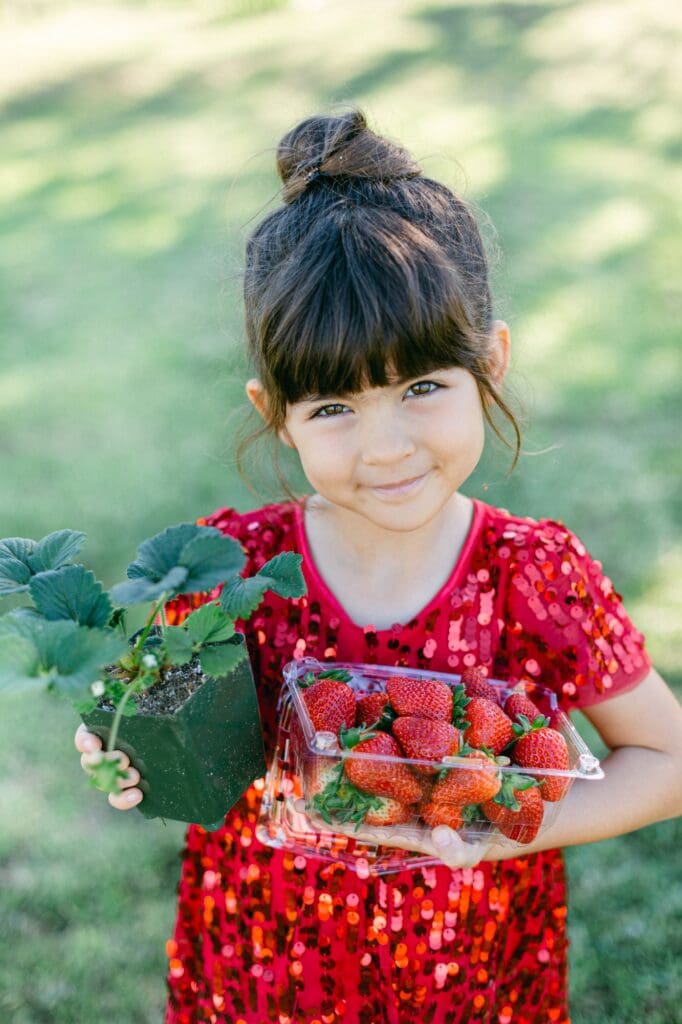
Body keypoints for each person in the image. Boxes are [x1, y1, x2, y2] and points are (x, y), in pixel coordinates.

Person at [75, 109, 682, 1024]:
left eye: (423, 388)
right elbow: (156, 709)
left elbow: (667, 760)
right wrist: (120, 749)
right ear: (275, 411)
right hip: (266, 960)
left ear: (493, 363)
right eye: (333, 407)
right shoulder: (229, 567)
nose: (386, 446)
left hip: (464, 972)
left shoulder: (533, 572)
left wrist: (509, 826)